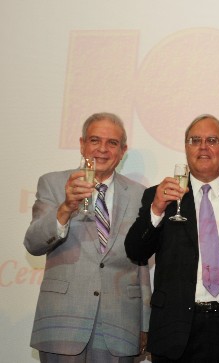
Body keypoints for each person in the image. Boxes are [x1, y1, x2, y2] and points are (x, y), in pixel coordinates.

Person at [124, 114, 219, 362]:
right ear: (186, 148)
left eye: (212, 140)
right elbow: (136, 251)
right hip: (175, 329)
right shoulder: (161, 196)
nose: (203, 146)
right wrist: (156, 209)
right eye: (195, 140)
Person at [24, 112, 151, 362]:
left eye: (112, 143)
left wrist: (145, 321)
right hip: (62, 322)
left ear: (122, 150)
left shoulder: (140, 194)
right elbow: (33, 243)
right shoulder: (52, 183)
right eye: (95, 140)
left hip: (119, 325)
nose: (102, 149)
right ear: (82, 144)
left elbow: (142, 262)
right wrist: (65, 208)